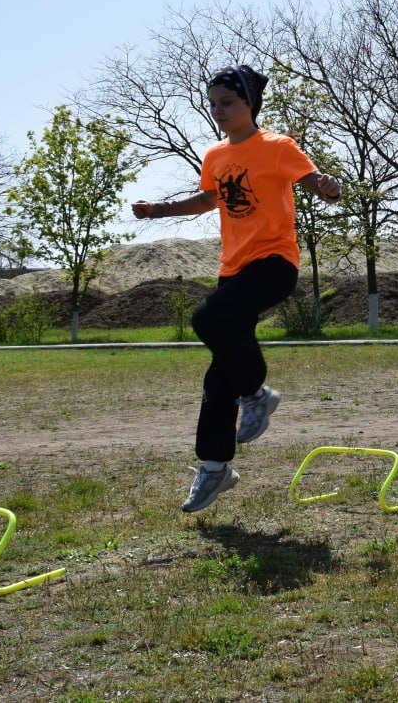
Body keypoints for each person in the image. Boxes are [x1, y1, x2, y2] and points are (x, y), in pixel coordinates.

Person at [132, 64, 342, 513]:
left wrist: (327, 187)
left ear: (250, 103)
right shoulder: (215, 155)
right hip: (233, 269)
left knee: (207, 318)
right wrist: (159, 210)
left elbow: (314, 182)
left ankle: (257, 394)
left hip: (274, 263)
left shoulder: (277, 146)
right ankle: (215, 467)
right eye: (212, 104)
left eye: (227, 102)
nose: (218, 111)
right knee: (219, 376)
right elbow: (208, 198)